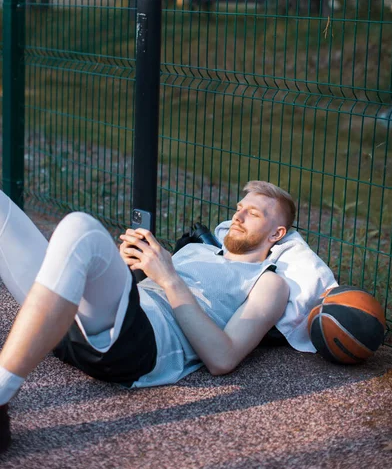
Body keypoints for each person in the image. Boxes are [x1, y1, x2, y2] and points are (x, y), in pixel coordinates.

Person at [0, 181, 337, 452]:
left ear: (276, 234)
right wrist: (118, 268)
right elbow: (143, 293)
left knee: (80, 227)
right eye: (238, 209)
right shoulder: (195, 249)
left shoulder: (270, 282)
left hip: (139, 346)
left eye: (253, 214)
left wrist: (168, 277)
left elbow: (223, 357)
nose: (238, 217)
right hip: (85, 325)